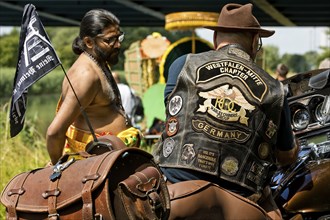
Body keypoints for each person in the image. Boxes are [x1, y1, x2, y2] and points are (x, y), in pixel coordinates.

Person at [153, 3, 298, 218]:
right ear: (254, 41)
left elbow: (173, 112)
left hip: (174, 181)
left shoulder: (183, 65)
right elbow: (286, 156)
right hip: (239, 195)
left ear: (215, 39)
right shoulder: (276, 89)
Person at [46, 9, 140, 165]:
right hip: (96, 164)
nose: (118, 45)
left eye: (119, 37)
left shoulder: (100, 62)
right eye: (110, 40)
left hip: (111, 159)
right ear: (89, 42)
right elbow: (54, 132)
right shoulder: (85, 75)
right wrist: (59, 168)